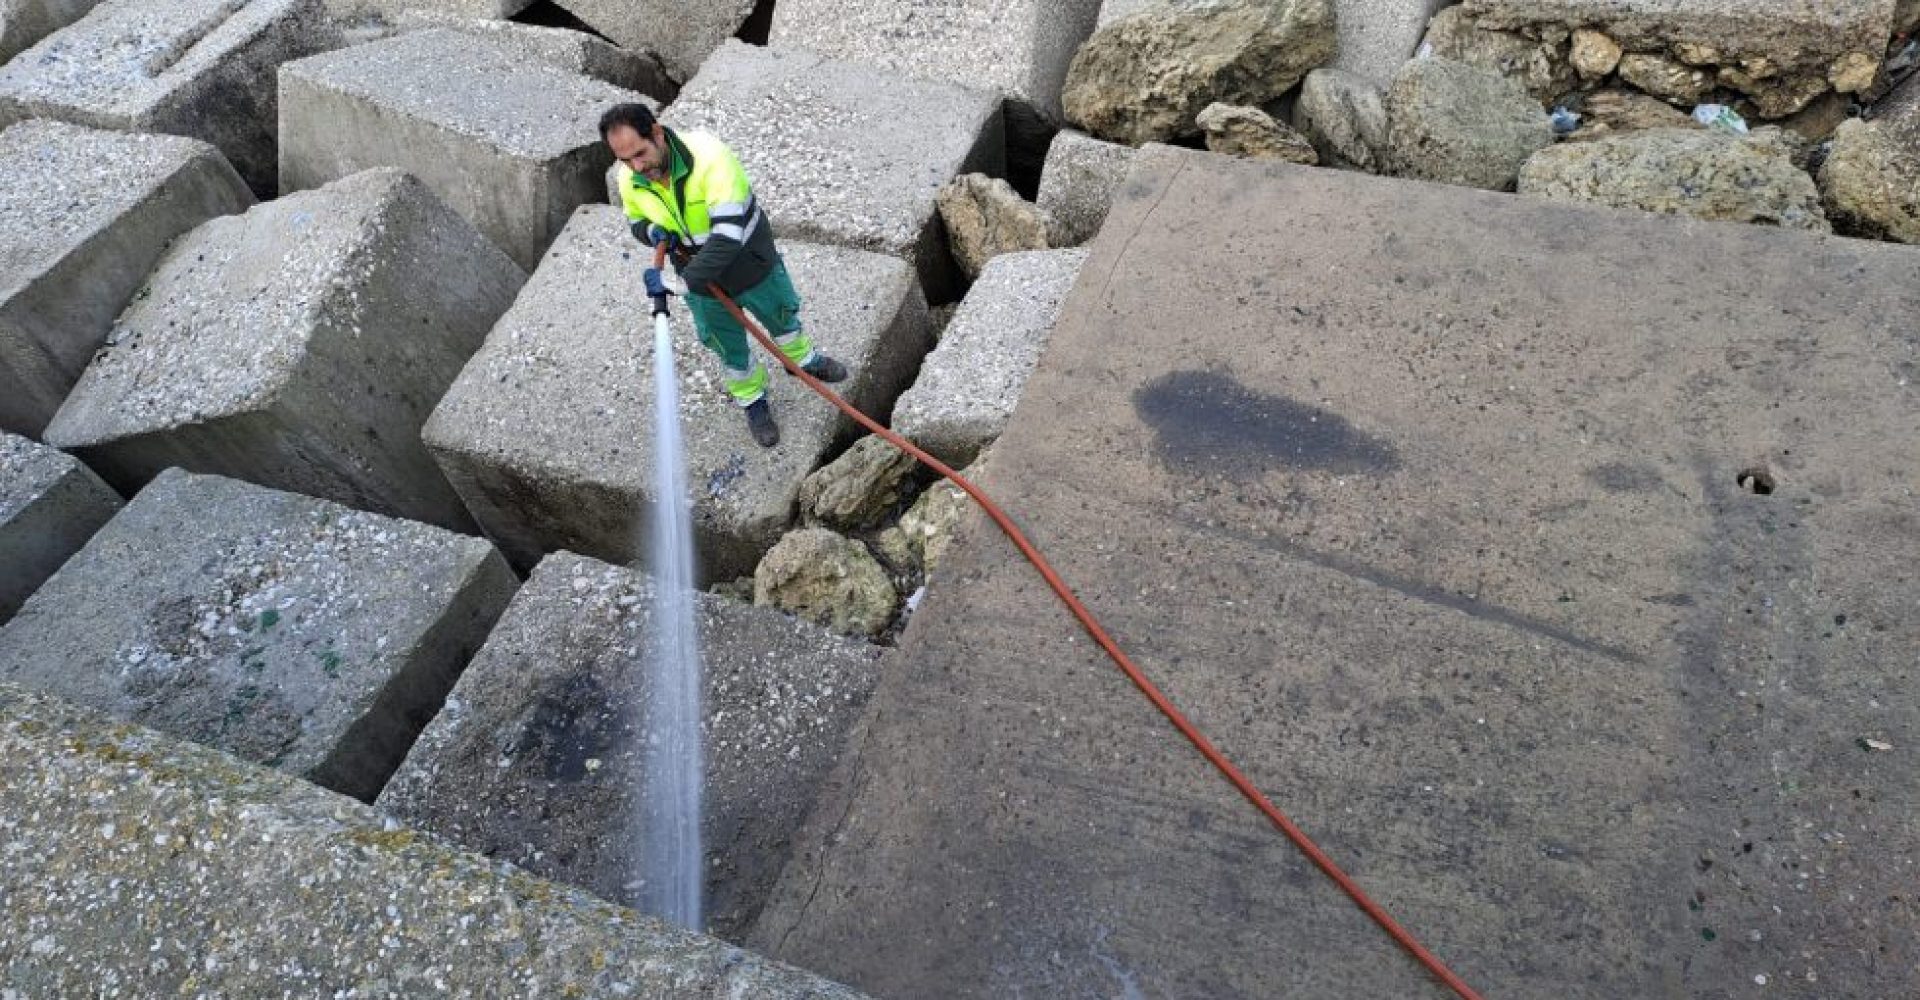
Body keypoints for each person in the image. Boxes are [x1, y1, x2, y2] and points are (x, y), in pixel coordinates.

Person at [600, 103, 848, 448]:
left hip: (749, 263)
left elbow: (728, 236)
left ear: (657, 132)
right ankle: (752, 399)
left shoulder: (711, 158)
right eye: (625, 160)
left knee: (781, 314)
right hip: (702, 281)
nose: (636, 167)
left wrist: (682, 283)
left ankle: (802, 361)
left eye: (640, 154)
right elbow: (635, 220)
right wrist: (652, 232)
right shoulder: (631, 177)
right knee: (724, 342)